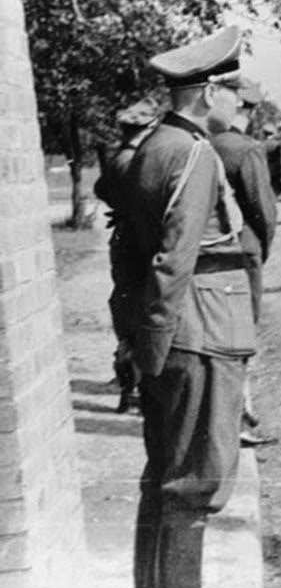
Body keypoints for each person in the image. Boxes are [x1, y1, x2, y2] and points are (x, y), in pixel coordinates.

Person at [117, 26, 257, 588]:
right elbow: (173, 261)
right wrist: (154, 345)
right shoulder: (195, 153)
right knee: (194, 483)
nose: (239, 103)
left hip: (172, 331)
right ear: (207, 93)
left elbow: (126, 251)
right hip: (197, 331)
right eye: (233, 92)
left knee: (165, 475)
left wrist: (139, 341)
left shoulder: (151, 147)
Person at [209, 79, 278, 448]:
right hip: (243, 249)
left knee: (222, 333)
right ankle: (237, 416)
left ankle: (240, 407)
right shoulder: (247, 149)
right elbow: (264, 210)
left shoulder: (208, 145)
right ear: (247, 111)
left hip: (212, 252)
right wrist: (261, 247)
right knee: (243, 335)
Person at [94, 97, 160, 413]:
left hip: (122, 241)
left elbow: (101, 190)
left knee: (125, 310)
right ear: (145, 129)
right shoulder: (139, 161)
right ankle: (141, 389)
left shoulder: (116, 159)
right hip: (141, 241)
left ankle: (127, 388)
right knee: (144, 311)